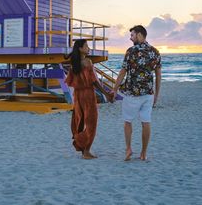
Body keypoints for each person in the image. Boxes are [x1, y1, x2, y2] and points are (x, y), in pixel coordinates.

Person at [112, 25, 161, 161]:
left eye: (132, 35)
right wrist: (156, 94)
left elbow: (123, 72)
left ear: (140, 35)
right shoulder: (155, 52)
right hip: (148, 94)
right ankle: (143, 153)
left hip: (132, 93)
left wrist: (115, 89)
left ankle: (128, 149)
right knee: (146, 122)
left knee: (128, 121)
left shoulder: (131, 51)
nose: (130, 38)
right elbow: (158, 75)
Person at [65, 39, 113, 159]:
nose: (89, 48)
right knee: (91, 122)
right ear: (80, 49)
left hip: (77, 95)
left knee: (79, 120)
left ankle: (82, 147)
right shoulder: (87, 62)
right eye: (86, 46)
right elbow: (94, 81)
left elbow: (70, 81)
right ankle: (86, 151)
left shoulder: (73, 63)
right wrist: (106, 94)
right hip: (87, 94)